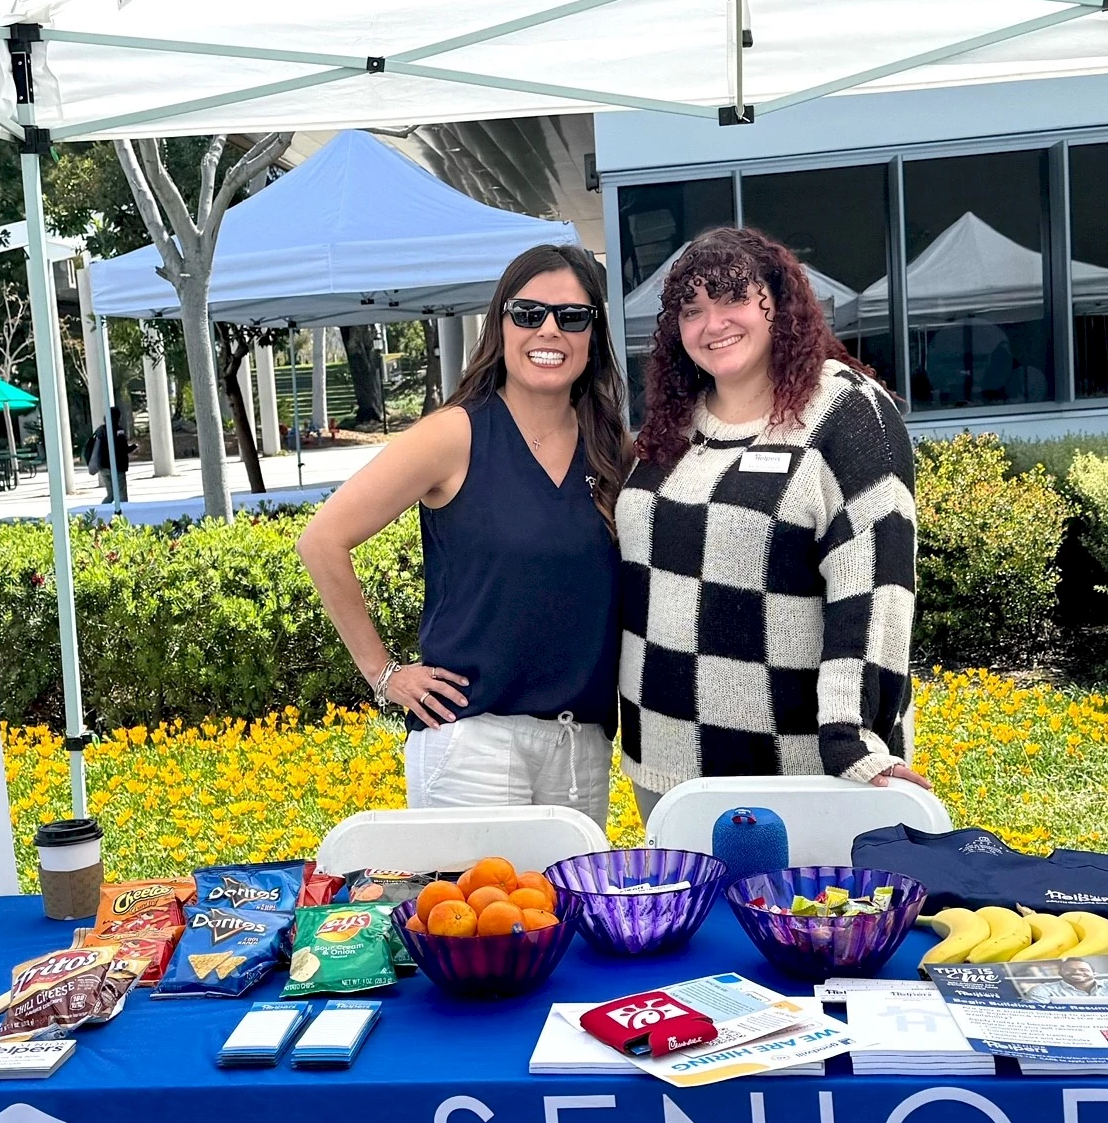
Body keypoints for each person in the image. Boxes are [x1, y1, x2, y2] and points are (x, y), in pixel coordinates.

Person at [300, 243, 629, 809]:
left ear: (594, 334)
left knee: (569, 904)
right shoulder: (454, 435)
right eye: (528, 313)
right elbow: (321, 540)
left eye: (572, 317)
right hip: (472, 743)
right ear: (499, 325)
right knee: (468, 903)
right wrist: (383, 674)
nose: (549, 330)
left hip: (582, 750)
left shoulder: (612, 450)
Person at [616, 227, 926, 821]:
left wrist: (852, 737)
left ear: (780, 303)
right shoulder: (675, 421)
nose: (713, 324)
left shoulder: (843, 411)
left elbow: (877, 585)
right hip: (663, 755)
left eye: (734, 298)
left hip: (796, 769)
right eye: (692, 309)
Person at [1020, 958, 1108, 1005]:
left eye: (1083, 969)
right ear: (1060, 973)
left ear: (1095, 973)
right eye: (1069, 970)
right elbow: (1032, 1015)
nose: (1077, 972)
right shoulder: (1042, 990)